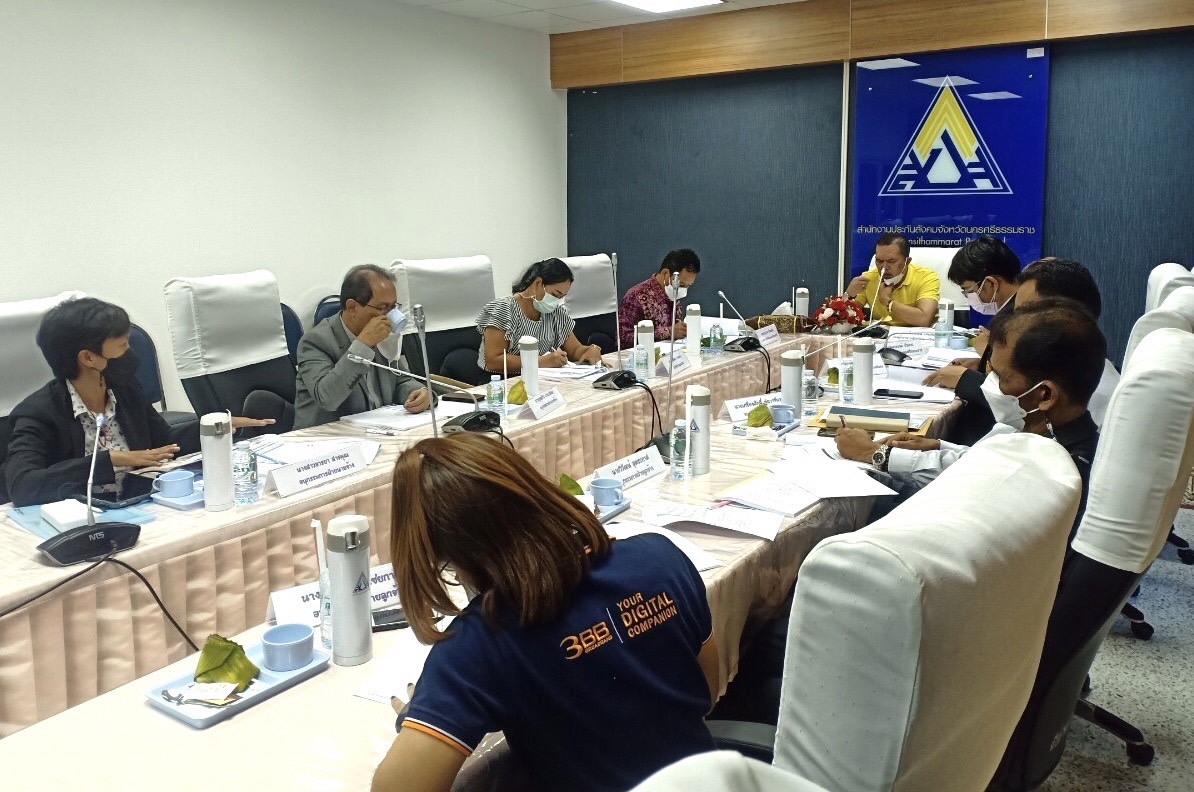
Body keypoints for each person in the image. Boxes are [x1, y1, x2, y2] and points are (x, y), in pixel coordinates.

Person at [373, 433, 719, 792]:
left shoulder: (479, 644)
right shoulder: (660, 556)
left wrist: (423, 717)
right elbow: (708, 692)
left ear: (443, 554)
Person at [837, 298, 1104, 538]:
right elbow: (982, 461)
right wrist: (939, 446)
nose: (989, 384)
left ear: (1045, 395)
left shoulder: (1054, 470)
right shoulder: (1038, 429)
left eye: (1000, 376)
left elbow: (970, 481)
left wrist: (876, 454)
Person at [4, 298, 271, 507]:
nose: (130, 353)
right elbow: (23, 486)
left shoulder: (124, 390)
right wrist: (111, 460)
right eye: (122, 346)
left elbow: (161, 443)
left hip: (140, 505)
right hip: (81, 522)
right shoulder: (38, 413)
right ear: (88, 358)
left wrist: (212, 428)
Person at [928, 257, 1112, 441]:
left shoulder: (1092, 394)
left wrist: (968, 381)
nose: (1016, 322)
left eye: (1028, 314)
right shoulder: (1056, 369)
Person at [294, 264, 429, 429]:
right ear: (352, 307)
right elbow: (327, 398)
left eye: (393, 307)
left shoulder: (383, 336)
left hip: (377, 429)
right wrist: (363, 345)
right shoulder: (315, 342)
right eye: (383, 308)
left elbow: (399, 379)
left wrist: (419, 392)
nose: (391, 316)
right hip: (327, 436)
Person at [921, 236, 1022, 445]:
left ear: (991, 283)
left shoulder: (1021, 320)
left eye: (968, 290)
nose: (969, 297)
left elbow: (1017, 398)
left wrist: (965, 378)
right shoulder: (1010, 312)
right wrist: (981, 363)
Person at [476, 258, 602, 374]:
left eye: (561, 297)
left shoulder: (556, 313)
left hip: (541, 378)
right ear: (538, 283)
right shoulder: (503, 309)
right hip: (501, 381)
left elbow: (574, 350)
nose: (557, 301)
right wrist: (540, 362)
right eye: (555, 294)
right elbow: (493, 360)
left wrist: (590, 350)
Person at [845, 233, 939, 327]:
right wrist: (848, 296)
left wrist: (887, 302)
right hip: (879, 334)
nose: (884, 267)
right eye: (879, 261)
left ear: (907, 261)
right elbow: (843, 320)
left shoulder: (926, 277)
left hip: (913, 334)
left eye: (891, 261)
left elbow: (924, 319)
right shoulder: (868, 279)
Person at [618, 248, 701, 347]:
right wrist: (668, 332)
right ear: (666, 273)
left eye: (688, 286)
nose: (683, 290)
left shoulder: (672, 295)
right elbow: (623, 338)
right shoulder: (636, 295)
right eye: (681, 285)